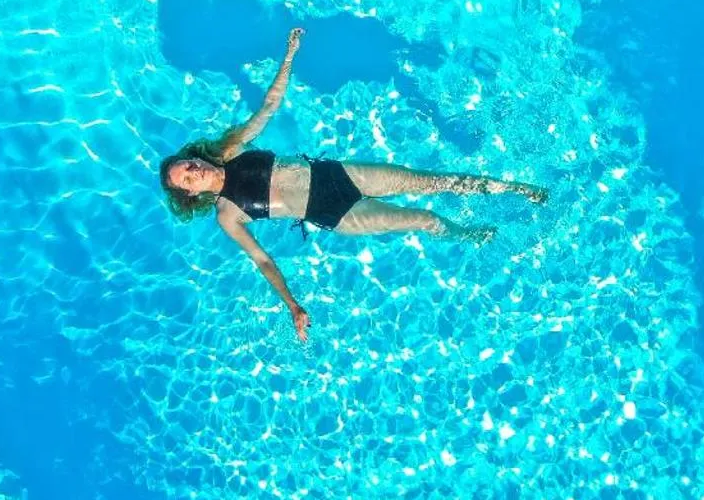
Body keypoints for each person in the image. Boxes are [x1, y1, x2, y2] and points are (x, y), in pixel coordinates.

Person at [158, 27, 546, 340]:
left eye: (189, 164)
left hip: (339, 173)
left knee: (434, 181)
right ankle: (472, 235)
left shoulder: (230, 149)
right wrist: (292, 305)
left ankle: (518, 190)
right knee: (425, 218)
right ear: (190, 194)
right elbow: (262, 260)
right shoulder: (228, 215)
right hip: (337, 213)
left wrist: (289, 54)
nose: (194, 171)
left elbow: (269, 107)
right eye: (187, 178)